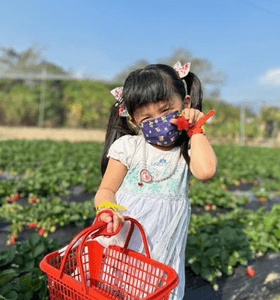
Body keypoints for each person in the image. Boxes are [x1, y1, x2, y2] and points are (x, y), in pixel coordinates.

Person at [94, 61, 218, 300]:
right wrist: (107, 209)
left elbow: (206, 172)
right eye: (147, 117)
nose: (158, 120)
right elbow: (106, 189)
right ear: (134, 121)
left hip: (162, 243)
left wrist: (196, 130)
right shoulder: (128, 147)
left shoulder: (186, 149)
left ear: (185, 104)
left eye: (165, 110)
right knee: (113, 287)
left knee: (151, 289)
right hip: (123, 233)